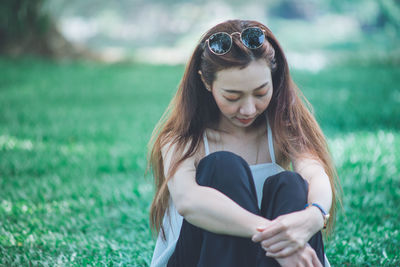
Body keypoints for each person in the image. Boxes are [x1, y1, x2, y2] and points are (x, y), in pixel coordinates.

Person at [148, 19, 339, 267]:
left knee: (291, 183)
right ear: (206, 83)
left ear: (274, 77)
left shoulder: (284, 127)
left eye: (261, 93)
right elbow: (189, 202)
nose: (249, 109)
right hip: (202, 258)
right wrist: (278, 237)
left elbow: (316, 175)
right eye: (232, 96)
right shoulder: (182, 138)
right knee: (222, 166)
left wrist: (314, 215)